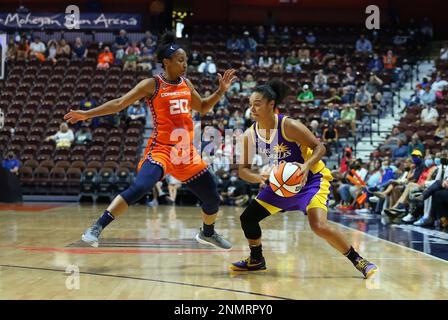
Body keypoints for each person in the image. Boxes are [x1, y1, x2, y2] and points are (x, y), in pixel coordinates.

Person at [64, 32, 237, 250]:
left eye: (186, 61)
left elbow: (202, 107)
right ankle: (97, 227)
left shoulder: (186, 84)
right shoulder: (151, 84)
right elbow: (119, 103)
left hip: (185, 153)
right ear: (166, 62)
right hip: (162, 149)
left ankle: (208, 233)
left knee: (212, 198)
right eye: (180, 61)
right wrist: (88, 114)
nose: (185, 65)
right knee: (141, 186)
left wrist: (220, 91)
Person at [229, 80, 378, 278]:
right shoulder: (249, 134)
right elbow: (243, 171)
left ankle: (359, 260)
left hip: (311, 180)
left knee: (318, 225)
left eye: (257, 103)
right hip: (283, 182)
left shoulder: (288, 125)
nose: (252, 108)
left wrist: (306, 166)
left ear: (271, 104)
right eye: (250, 104)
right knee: (248, 218)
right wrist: (259, 178)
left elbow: (320, 147)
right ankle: (256, 259)